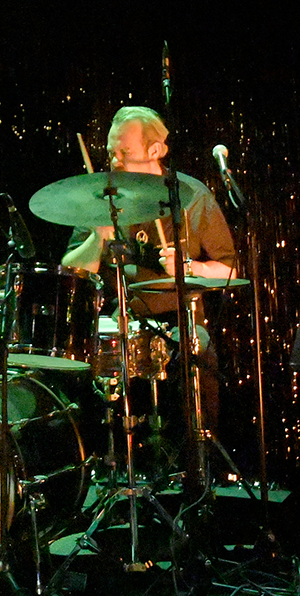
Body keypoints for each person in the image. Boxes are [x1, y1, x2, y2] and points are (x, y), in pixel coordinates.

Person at [61, 106, 239, 431]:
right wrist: (97, 239)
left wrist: (189, 267)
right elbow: (71, 272)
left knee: (199, 356)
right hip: (118, 323)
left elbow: (228, 271)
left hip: (177, 323)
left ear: (155, 150)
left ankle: (196, 454)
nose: (115, 161)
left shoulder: (191, 196)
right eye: (111, 152)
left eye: (124, 152)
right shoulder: (102, 196)